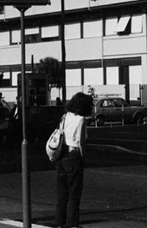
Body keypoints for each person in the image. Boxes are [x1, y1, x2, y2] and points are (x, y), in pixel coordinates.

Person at [55, 92, 92, 228]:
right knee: (74, 192)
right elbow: (81, 142)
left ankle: (60, 221)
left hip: (62, 155)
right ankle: (72, 223)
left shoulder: (65, 116)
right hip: (74, 155)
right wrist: (83, 157)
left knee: (62, 192)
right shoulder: (81, 120)